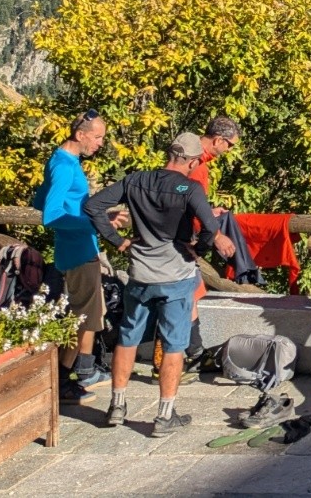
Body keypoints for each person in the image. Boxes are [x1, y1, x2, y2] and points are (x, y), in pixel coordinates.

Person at [86, 132, 236, 435]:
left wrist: (118, 242)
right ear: (193, 161)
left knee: (127, 338)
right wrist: (197, 249)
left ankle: (117, 406)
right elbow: (210, 227)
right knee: (173, 345)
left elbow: (92, 206)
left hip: (140, 273)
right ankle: (164, 415)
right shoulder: (190, 188)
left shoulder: (136, 180)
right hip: (176, 276)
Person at [34, 109, 125, 400]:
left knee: (87, 314)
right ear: (80, 134)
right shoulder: (63, 165)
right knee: (83, 317)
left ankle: (76, 372)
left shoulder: (63, 160)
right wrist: (95, 224)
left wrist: (98, 219)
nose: (100, 144)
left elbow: (40, 199)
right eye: (97, 137)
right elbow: (50, 214)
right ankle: (64, 379)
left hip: (79, 247)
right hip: (77, 251)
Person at [179, 114, 243, 367]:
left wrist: (207, 212)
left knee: (193, 291)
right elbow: (187, 205)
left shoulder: (186, 154)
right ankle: (187, 355)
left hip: (179, 235)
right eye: (230, 145)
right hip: (180, 239)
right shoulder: (199, 167)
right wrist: (215, 234)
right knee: (187, 294)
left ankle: (194, 351)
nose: (230, 151)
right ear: (218, 140)